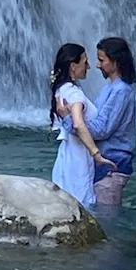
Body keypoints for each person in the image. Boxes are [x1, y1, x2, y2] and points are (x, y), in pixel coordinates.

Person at [56, 36, 136, 207]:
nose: (97, 65)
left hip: (112, 165)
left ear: (116, 61)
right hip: (106, 165)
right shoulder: (110, 88)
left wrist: (68, 120)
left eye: (101, 60)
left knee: (106, 221)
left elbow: (102, 129)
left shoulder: (120, 91)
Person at [49, 43, 116, 208]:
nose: (89, 66)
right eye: (85, 62)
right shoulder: (74, 93)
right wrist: (96, 154)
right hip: (79, 160)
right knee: (82, 205)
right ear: (73, 66)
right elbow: (78, 124)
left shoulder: (61, 90)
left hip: (66, 156)